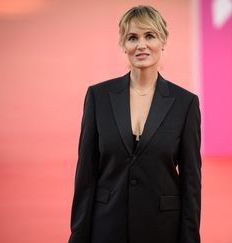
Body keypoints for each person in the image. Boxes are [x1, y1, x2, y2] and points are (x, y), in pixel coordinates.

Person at [68, 5, 202, 243]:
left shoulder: (186, 103)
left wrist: (189, 238)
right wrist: (78, 236)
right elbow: (85, 175)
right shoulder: (98, 97)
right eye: (132, 38)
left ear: (163, 41)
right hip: (107, 227)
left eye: (149, 36)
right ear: (123, 45)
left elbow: (191, 181)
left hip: (162, 230)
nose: (141, 45)